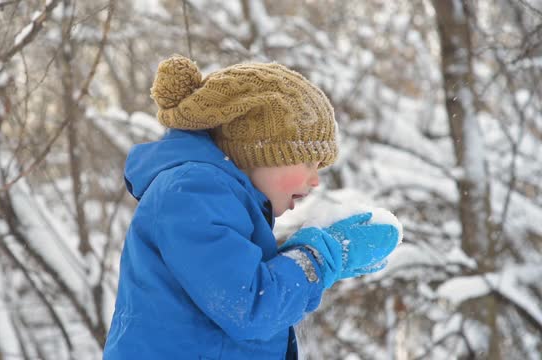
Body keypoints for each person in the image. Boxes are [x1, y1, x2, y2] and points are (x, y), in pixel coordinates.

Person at [103, 55, 400, 359]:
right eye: (309, 162)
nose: (315, 181)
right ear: (260, 151)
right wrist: (319, 258)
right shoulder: (192, 192)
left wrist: (305, 257)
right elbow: (249, 306)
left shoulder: (216, 199)